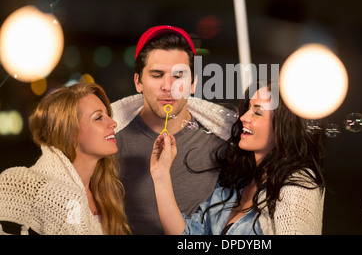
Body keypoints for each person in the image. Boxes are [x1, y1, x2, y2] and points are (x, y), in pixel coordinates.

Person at [150, 80, 326, 235]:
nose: (243, 117)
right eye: (247, 109)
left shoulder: (299, 186)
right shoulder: (235, 183)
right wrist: (160, 174)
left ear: (283, 127)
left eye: (257, 112)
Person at [111, 25, 235, 234]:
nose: (168, 86)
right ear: (138, 82)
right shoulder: (111, 141)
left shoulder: (220, 141)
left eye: (179, 76)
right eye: (157, 75)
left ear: (193, 84)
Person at [0, 83, 131, 235]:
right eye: (99, 117)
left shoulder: (106, 192)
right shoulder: (23, 186)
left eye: (109, 115)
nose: (113, 123)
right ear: (70, 132)